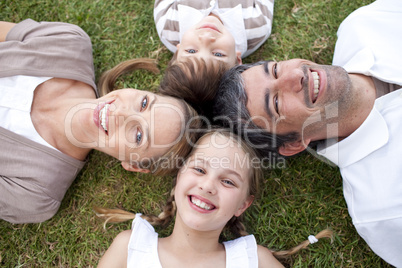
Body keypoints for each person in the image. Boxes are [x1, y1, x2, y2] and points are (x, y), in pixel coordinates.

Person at [212, 0, 402, 266]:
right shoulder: (384, 209)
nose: (294, 75)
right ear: (293, 144)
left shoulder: (365, 25)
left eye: (275, 69)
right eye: (275, 103)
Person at [0, 19, 201, 224]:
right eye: (143, 103)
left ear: (133, 165)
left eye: (139, 135)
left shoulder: (35, 193)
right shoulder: (68, 43)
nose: (121, 113)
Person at [95, 130, 332, 267]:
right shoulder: (131, 247)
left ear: (242, 205)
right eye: (199, 170)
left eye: (228, 181)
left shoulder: (253, 260)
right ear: (179, 176)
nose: (208, 186)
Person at [154, 0, 274, 67]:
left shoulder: (168, 27)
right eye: (218, 54)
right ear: (237, 60)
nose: (206, 38)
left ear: (178, 51)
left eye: (191, 51)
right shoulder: (257, 26)